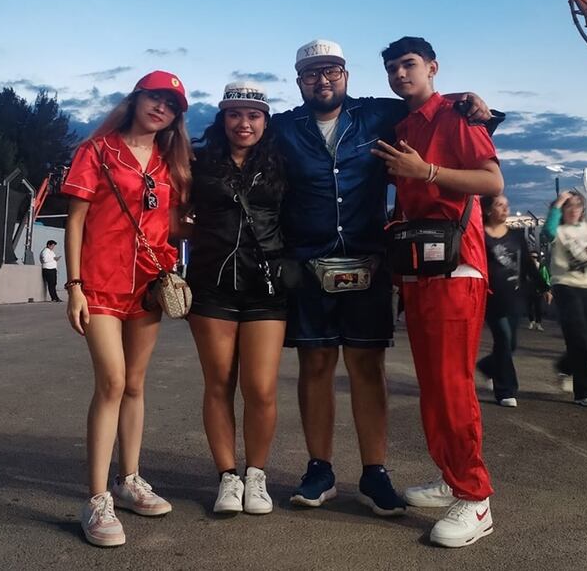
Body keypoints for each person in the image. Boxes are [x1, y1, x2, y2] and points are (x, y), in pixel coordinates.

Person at [271, 38, 494, 517]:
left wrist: (467, 99)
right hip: (308, 263)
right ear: (298, 80)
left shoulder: (378, 116)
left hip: (371, 260)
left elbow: (431, 104)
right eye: (312, 73)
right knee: (314, 366)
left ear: (347, 75)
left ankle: (375, 473)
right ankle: (320, 469)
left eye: (332, 70)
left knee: (368, 369)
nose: (323, 79)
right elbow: (239, 147)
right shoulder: (282, 128)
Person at [372, 36, 502, 548]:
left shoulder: (455, 114)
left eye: (409, 65)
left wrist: (424, 170)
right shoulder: (403, 124)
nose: (400, 74)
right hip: (419, 267)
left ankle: (475, 497)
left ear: (432, 67)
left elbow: (491, 181)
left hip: (457, 266)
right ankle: (451, 476)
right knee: (433, 383)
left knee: (451, 385)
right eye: (391, 68)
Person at [61, 71, 192, 547]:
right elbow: (74, 222)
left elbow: (169, 225)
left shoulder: (169, 164)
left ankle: (129, 477)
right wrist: (73, 285)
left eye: (172, 104)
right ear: (137, 99)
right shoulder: (96, 151)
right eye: (156, 97)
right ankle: (97, 499)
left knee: (135, 384)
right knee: (112, 382)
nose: (162, 107)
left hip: (147, 287)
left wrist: (188, 227)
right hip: (99, 283)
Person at [185, 82, 287, 515]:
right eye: (234, 114)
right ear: (222, 118)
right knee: (219, 384)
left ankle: (256, 475)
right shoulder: (198, 160)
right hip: (211, 284)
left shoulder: (284, 162)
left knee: (260, 388)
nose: (244, 123)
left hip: (267, 285)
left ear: (265, 120)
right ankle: (227, 477)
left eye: (253, 115)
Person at [542, 192, 587, 407]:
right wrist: (557, 203)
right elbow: (547, 232)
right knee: (577, 335)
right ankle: (585, 391)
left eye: (578, 205)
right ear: (562, 209)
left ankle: (566, 366)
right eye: (568, 206)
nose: (573, 209)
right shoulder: (559, 231)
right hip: (566, 285)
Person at [475, 194, 529, 408]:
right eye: (500, 205)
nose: (505, 209)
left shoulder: (516, 235)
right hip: (491, 296)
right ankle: (505, 389)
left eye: (507, 205)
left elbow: (526, 262)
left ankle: (488, 366)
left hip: (514, 295)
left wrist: (543, 286)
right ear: (488, 210)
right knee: (504, 340)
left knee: (511, 344)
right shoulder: (480, 235)